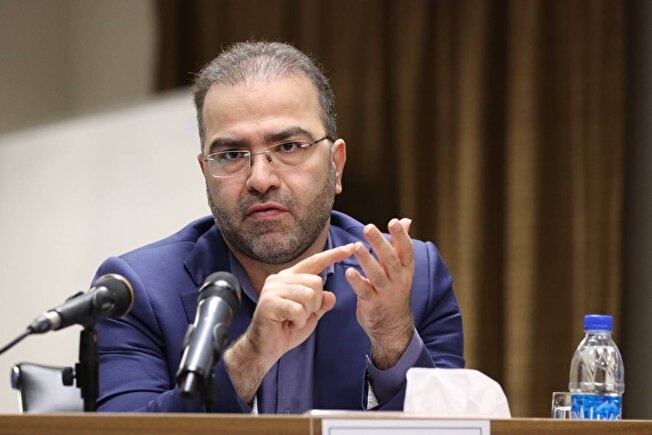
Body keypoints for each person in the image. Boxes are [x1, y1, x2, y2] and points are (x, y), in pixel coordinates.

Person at [94, 41, 464, 413]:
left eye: (288, 147)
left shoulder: (412, 278)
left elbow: (457, 426)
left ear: (336, 165)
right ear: (206, 172)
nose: (260, 179)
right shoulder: (136, 292)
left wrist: (392, 339)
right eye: (231, 154)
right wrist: (250, 356)